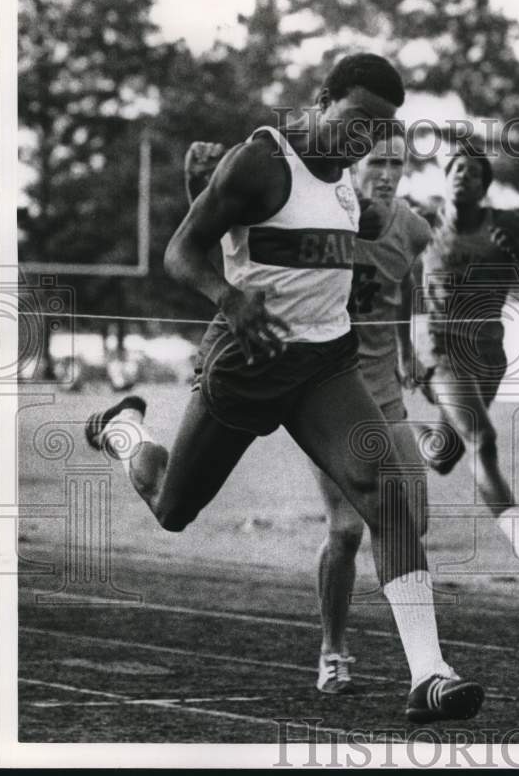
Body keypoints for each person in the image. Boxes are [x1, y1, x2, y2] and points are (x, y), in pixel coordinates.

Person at [84, 54, 483, 722]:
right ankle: (122, 428)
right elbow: (183, 252)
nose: (365, 140)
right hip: (247, 362)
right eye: (356, 121)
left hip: (323, 367)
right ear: (323, 100)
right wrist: (229, 300)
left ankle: (429, 675)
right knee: (172, 505)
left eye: (380, 131)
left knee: (386, 493)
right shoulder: (261, 163)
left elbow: (336, 248)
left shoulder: (352, 189)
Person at [184, 125, 434, 695]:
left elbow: (404, 288)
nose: (388, 175)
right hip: (325, 385)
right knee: (347, 527)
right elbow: (235, 251)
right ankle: (334, 647)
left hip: (384, 392)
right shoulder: (324, 208)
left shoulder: (413, 228)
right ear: (350, 167)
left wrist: (409, 349)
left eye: (398, 163)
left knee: (408, 521)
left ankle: (425, 663)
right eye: (378, 162)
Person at [416, 147, 519, 578]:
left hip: (488, 356)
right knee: (482, 439)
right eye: (456, 169)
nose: (463, 176)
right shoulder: (422, 221)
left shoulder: (505, 224)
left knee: (443, 454)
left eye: (473, 172)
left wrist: (518, 253)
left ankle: (399, 431)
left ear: (485, 186)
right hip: (442, 351)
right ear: (445, 179)